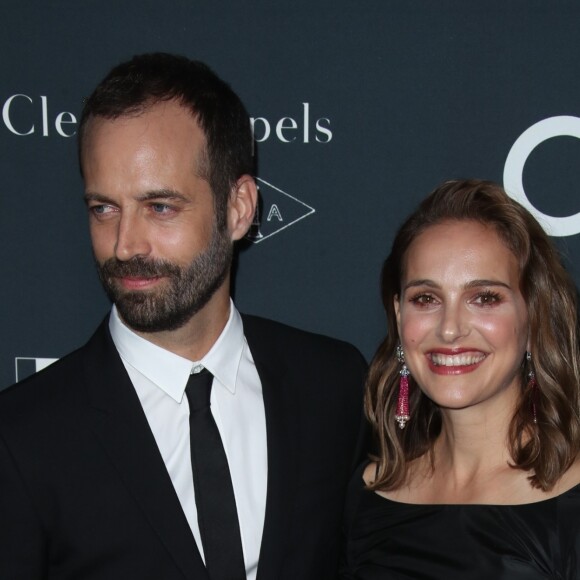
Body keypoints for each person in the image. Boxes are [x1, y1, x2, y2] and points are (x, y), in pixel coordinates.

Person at [0, 53, 367, 580]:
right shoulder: (22, 439)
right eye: (103, 208)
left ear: (239, 208)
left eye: (160, 207)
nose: (125, 245)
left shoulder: (332, 384)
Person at [341, 179, 580, 579]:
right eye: (426, 299)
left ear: (533, 316)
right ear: (399, 317)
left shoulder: (571, 499)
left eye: (484, 297)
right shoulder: (368, 491)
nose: (449, 329)